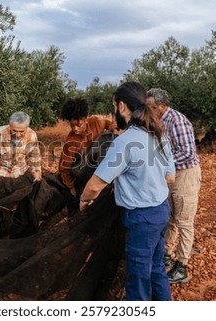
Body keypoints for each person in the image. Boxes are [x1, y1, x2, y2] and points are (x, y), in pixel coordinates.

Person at [79, 82, 175, 301]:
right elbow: (170, 177)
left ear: (121, 106)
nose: (113, 112)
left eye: (114, 106)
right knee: (156, 269)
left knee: (138, 278)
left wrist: (84, 201)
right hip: (161, 211)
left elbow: (95, 186)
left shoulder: (125, 142)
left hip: (141, 219)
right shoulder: (159, 134)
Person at [146, 88, 202, 284]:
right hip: (171, 175)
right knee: (170, 218)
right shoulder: (159, 120)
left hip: (185, 175)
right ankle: (167, 254)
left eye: (152, 107)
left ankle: (182, 266)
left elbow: (187, 152)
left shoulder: (177, 121)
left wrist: (160, 163)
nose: (149, 110)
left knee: (184, 221)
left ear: (163, 106)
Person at [58, 97, 117, 209]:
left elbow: (110, 124)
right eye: (72, 125)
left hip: (103, 169)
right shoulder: (70, 142)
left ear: (85, 118)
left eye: (79, 124)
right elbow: (64, 169)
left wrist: (112, 130)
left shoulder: (97, 122)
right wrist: (73, 190)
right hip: (84, 175)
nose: (76, 128)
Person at [0, 111, 42, 181]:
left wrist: (37, 173)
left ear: (27, 127)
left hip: (19, 176)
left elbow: (35, 157)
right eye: (14, 130)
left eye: (21, 131)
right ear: (10, 126)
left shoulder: (32, 136)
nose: (17, 135)